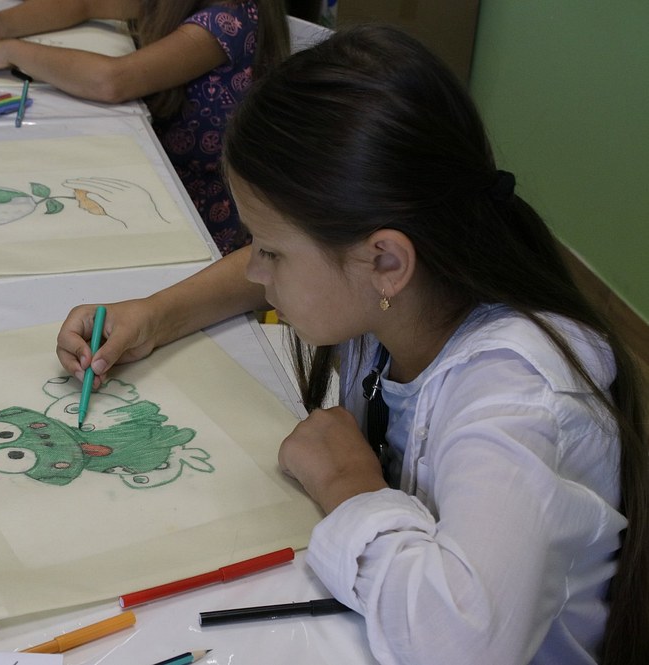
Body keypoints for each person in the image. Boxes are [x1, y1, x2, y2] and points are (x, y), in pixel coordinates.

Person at [55, 25, 648, 665]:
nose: (254, 270)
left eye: (270, 251)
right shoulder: (406, 284)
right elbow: (284, 270)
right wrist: (154, 315)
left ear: (386, 261)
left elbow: (458, 646)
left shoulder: (516, 400)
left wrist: (346, 483)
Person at [0, 0, 289, 255]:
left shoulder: (229, 19)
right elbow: (85, 4)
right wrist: (2, 23)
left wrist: (12, 51)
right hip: (160, 173)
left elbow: (114, 80)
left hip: (201, 212)